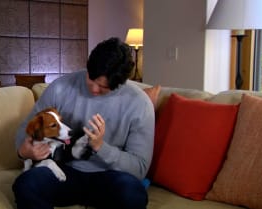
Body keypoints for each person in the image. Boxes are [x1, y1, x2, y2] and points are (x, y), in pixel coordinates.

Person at [12, 37, 155, 209]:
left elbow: (139, 169)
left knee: (133, 194)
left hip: (109, 177)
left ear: (121, 83)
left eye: (103, 88)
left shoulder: (140, 104)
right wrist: (23, 150)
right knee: (25, 185)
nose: (94, 90)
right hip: (64, 171)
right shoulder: (60, 88)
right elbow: (24, 130)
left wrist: (101, 147)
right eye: (91, 79)